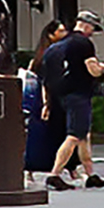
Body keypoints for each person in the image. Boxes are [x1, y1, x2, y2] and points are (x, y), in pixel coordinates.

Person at [45, 9, 104, 190]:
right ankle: (55, 174)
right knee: (74, 136)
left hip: (61, 95)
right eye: (92, 29)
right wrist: (103, 69)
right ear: (87, 26)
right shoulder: (83, 43)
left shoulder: (58, 46)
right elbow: (92, 69)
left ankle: (90, 174)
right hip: (79, 94)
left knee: (83, 136)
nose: (92, 33)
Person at [25, 21, 67, 178]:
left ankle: (34, 169)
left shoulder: (44, 54)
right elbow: (44, 82)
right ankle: (34, 168)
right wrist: (46, 104)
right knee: (46, 134)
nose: (64, 34)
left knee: (46, 134)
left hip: (48, 97)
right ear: (51, 35)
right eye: (60, 31)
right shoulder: (49, 55)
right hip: (47, 99)